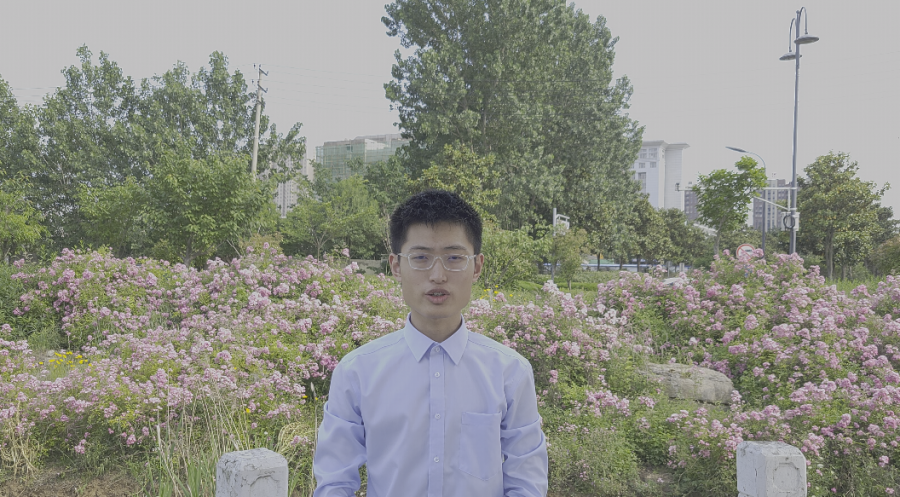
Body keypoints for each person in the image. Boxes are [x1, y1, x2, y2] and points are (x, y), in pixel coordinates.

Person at [313, 189, 548, 496]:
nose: (438, 275)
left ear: (477, 266)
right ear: (396, 266)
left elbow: (526, 480)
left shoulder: (509, 372)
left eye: (454, 258)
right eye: (421, 257)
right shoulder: (358, 371)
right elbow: (335, 482)